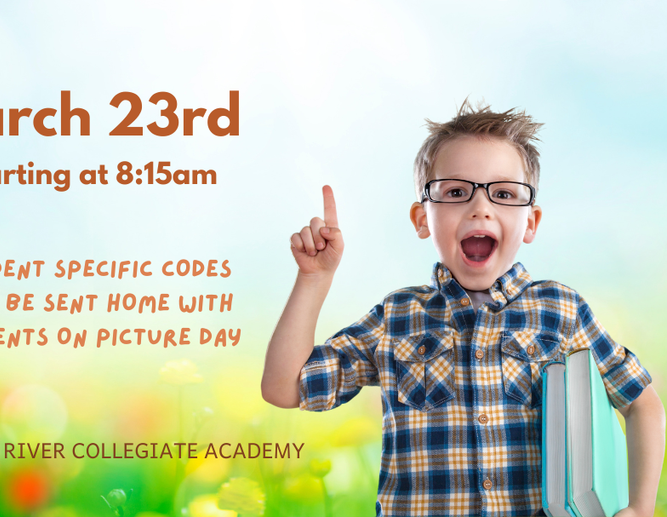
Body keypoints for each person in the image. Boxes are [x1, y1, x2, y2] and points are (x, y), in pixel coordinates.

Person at [261, 101, 665, 517]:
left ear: (530, 222)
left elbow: (641, 402)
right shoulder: (396, 316)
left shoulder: (561, 310)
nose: (481, 207)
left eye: (504, 193)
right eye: (456, 191)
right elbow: (284, 387)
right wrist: (314, 279)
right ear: (422, 219)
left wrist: (641, 507)